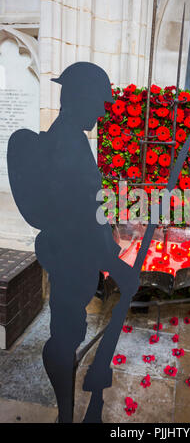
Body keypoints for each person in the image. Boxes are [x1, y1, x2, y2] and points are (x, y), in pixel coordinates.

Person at [7, 62, 140, 423]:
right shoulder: (67, 143)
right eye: (99, 100)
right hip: (70, 254)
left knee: (70, 329)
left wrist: (111, 249)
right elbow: (77, 219)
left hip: (75, 253)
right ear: (79, 96)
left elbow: (88, 208)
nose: (102, 109)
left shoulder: (70, 138)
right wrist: (116, 266)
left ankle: (67, 411)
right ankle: (66, 415)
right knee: (65, 337)